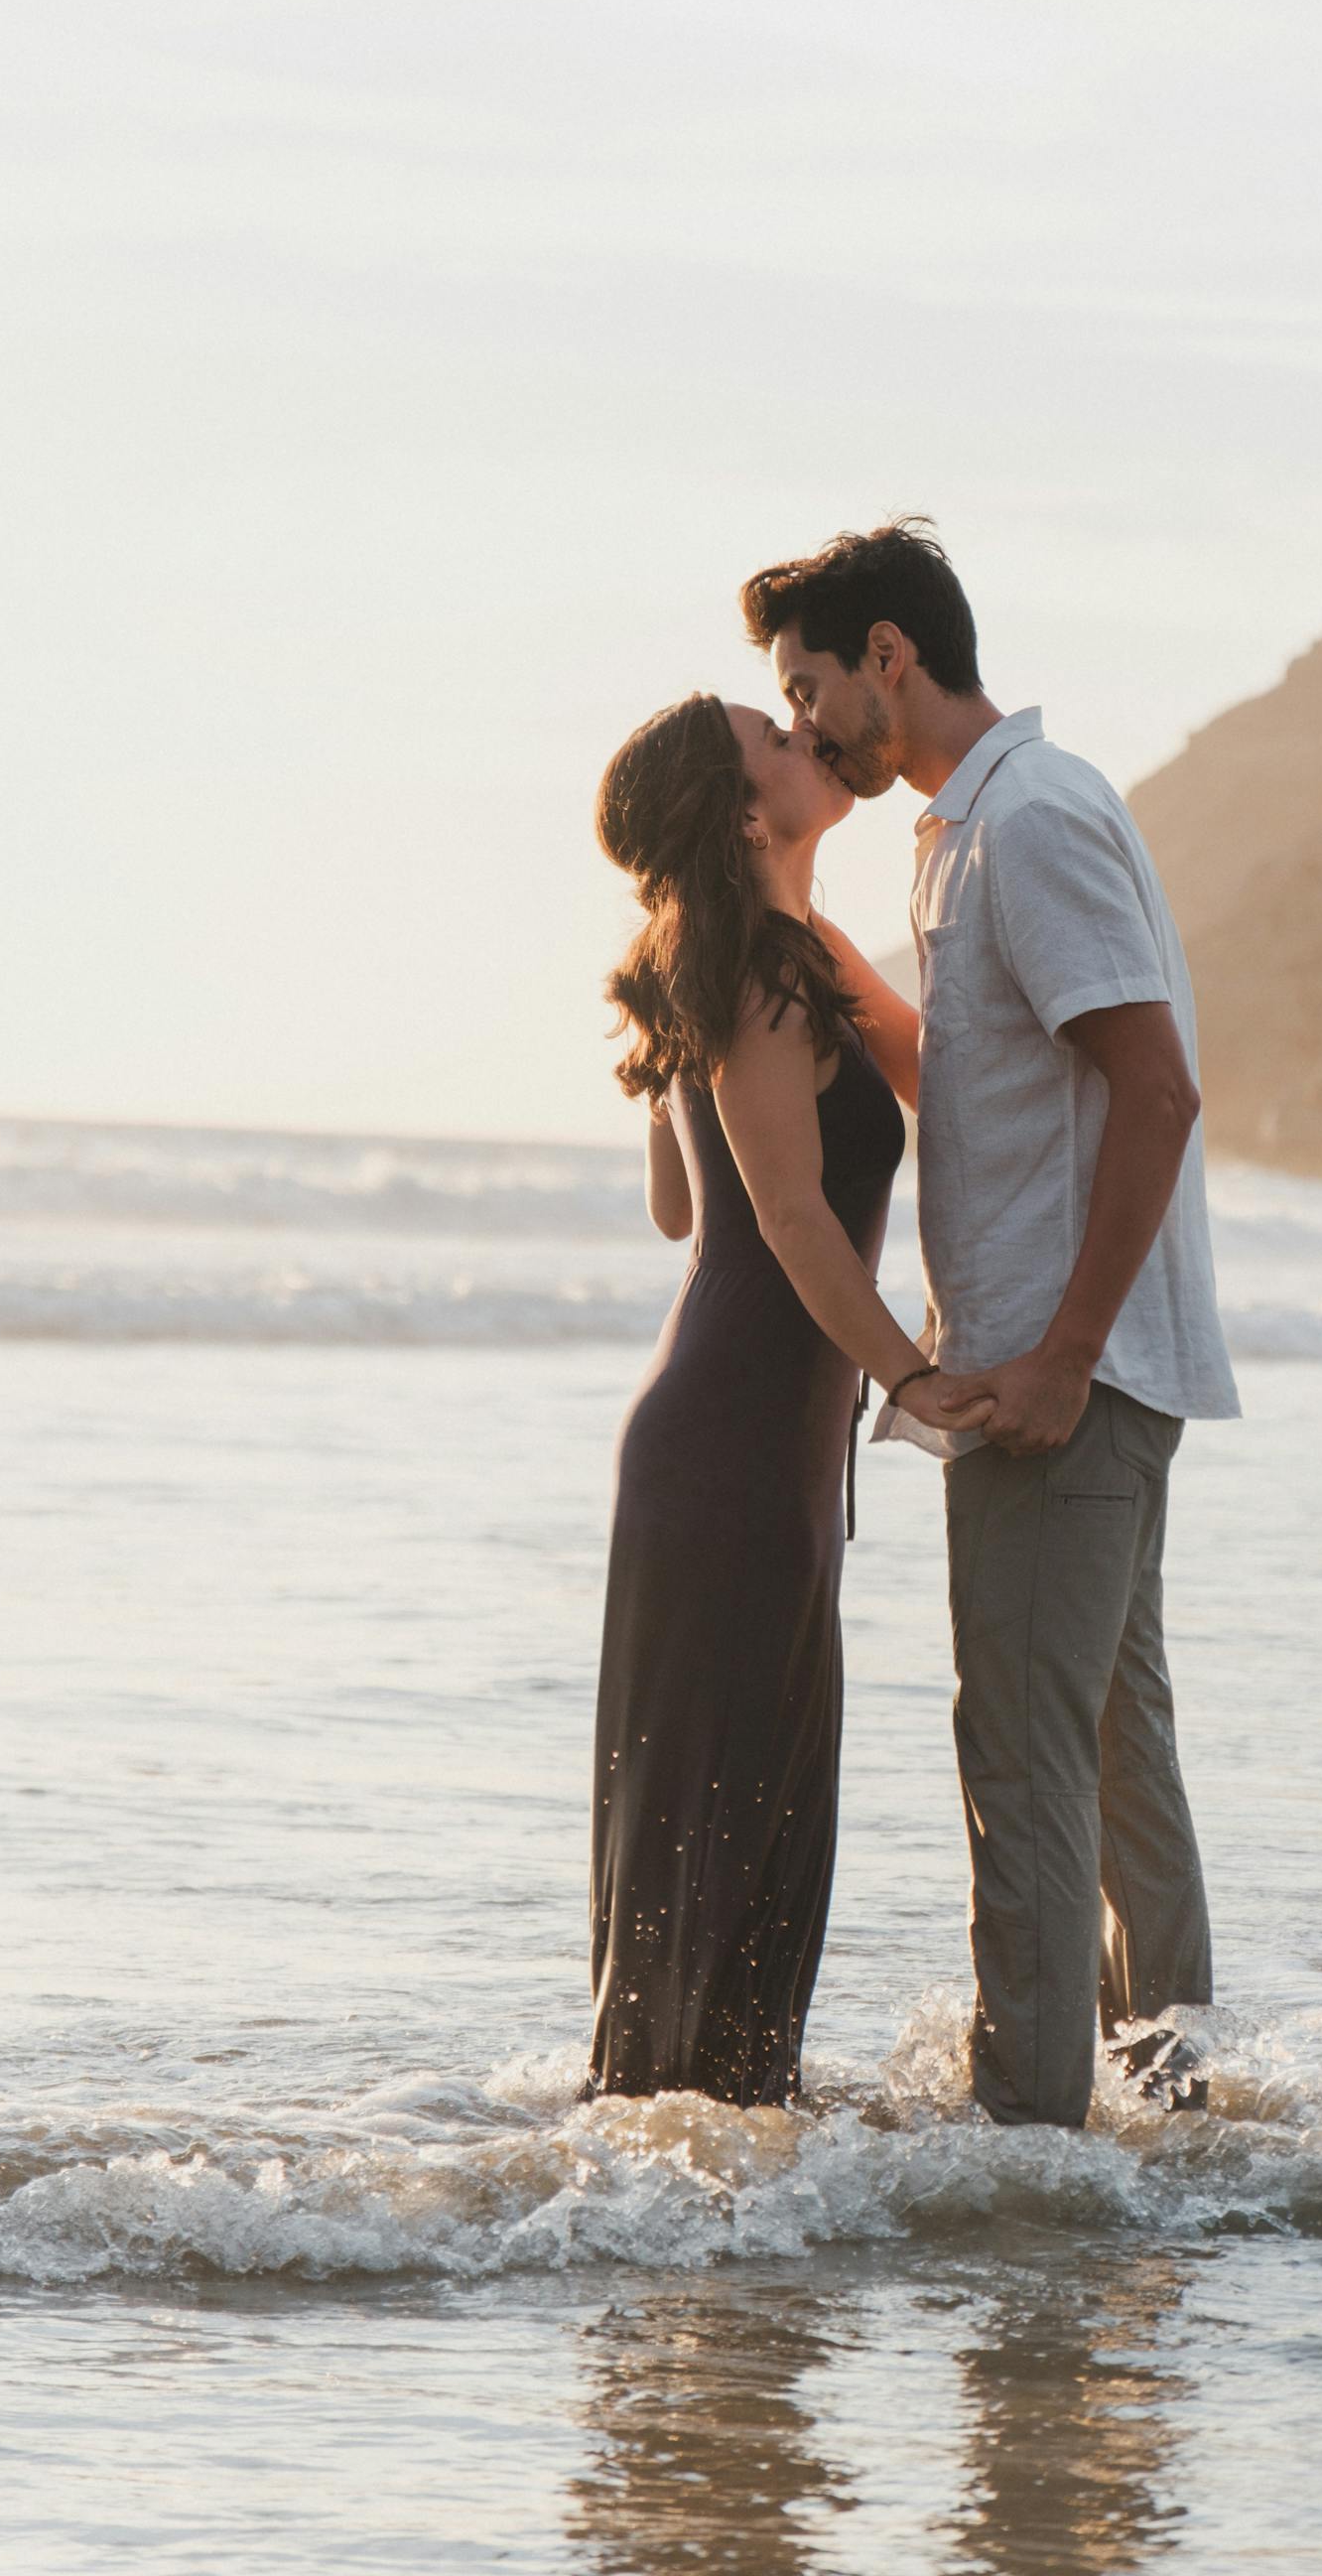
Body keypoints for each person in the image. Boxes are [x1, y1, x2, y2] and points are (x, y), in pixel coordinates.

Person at [743, 519, 1242, 2128]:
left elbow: (1157, 1089)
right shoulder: (966, 832)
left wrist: (1060, 1358)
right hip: (1066, 1366)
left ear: (889, 654)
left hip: (1058, 1381)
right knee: (1108, 1748)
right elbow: (964, 1079)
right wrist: (790, 920)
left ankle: (1028, 2149)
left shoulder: (1028, 821)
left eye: (810, 685)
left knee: (1024, 1761)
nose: (809, 723)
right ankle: (1164, 2112)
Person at [585, 690, 988, 2107]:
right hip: (741, 1451)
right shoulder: (755, 967)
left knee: (733, 1819)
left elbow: (674, 1201)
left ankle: (703, 2182)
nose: (803, 736)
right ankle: (680, 2166)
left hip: (744, 1443)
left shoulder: (765, 956)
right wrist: (920, 1378)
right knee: (729, 1819)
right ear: (746, 807)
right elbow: (794, 1222)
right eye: (774, 732)